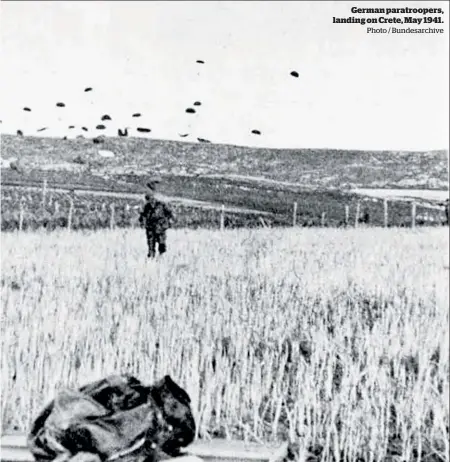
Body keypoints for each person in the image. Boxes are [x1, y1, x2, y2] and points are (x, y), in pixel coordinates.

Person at [139, 191, 175, 258]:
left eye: (151, 199)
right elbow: (142, 215)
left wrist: (170, 221)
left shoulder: (162, 205)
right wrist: (142, 222)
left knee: (161, 243)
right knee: (151, 244)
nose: (150, 201)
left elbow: (170, 213)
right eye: (148, 200)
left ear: (154, 199)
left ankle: (161, 256)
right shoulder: (147, 207)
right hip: (150, 228)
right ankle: (151, 258)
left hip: (160, 227)